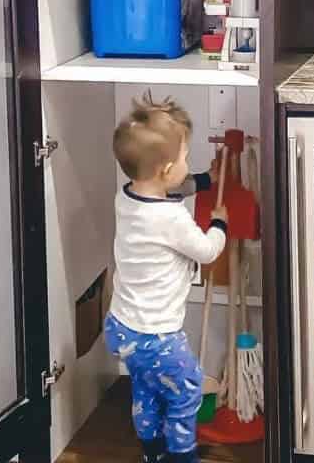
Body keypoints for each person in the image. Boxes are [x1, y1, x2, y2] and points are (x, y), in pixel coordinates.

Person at [106, 94, 227, 463]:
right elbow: (206, 251)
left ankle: (152, 452)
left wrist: (205, 180)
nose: (187, 165)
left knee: (145, 389)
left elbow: (172, 187)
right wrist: (219, 222)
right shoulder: (171, 220)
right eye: (185, 159)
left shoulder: (126, 197)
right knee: (186, 390)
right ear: (165, 168)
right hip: (157, 336)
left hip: (122, 329)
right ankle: (181, 456)